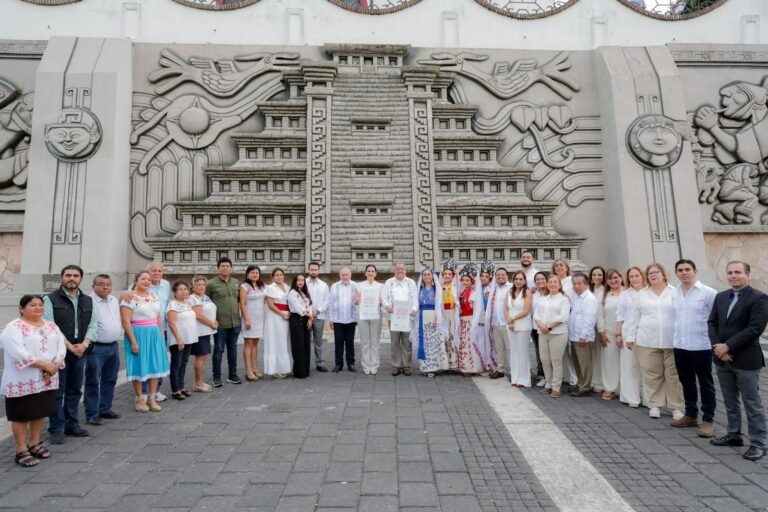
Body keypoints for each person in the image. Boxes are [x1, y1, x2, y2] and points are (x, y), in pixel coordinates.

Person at [708, 261, 768, 461]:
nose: (733, 276)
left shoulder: (759, 298)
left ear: (748, 275)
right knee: (729, 400)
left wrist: (728, 346)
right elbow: (712, 323)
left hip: (746, 359)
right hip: (722, 359)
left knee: (752, 402)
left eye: (738, 272)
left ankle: (759, 443)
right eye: (730, 272)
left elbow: (755, 328)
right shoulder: (721, 297)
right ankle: (734, 434)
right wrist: (718, 347)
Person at [1, 295, 66, 467]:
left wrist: (54, 365)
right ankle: (21, 449)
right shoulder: (14, 327)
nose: (38, 308)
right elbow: (17, 352)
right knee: (21, 415)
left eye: (40, 305)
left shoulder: (51, 325)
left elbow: (61, 346)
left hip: (47, 378)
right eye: (32, 305)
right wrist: (44, 365)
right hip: (23, 378)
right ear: (22, 308)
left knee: (40, 412)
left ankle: (35, 443)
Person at [43, 264, 97, 444]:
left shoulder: (88, 300)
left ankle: (71, 424)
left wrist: (84, 344)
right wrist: (68, 345)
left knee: (74, 390)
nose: (72, 278)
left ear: (81, 279)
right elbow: (51, 326)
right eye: (68, 275)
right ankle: (56, 428)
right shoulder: (50, 299)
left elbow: (93, 325)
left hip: (80, 351)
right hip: (59, 353)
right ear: (61, 278)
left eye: (75, 275)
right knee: (57, 392)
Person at [624, 263, 683, 419]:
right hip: (647, 340)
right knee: (652, 374)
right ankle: (655, 404)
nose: (653, 275)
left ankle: (676, 406)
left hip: (672, 341)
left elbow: (681, 315)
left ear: (664, 274)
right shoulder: (641, 295)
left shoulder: (675, 292)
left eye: (656, 272)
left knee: (673, 374)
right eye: (650, 273)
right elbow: (633, 318)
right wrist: (630, 337)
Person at [671, 259, 717, 437]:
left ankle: (708, 420)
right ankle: (690, 414)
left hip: (701, 345)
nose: (684, 273)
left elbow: (716, 320)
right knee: (686, 381)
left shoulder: (708, 293)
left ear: (695, 271)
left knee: (706, 384)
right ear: (676, 273)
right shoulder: (674, 292)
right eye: (680, 270)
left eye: (687, 269)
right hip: (680, 344)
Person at [120, 270, 170, 413]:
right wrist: (133, 342)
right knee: (139, 365)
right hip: (138, 333)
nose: (147, 281)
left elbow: (158, 316)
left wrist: (160, 335)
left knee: (155, 365)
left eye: (149, 279)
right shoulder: (129, 298)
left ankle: (152, 398)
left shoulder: (153, 296)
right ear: (136, 281)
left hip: (154, 333)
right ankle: (140, 398)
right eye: (143, 279)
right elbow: (126, 321)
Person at [84, 274, 122, 427]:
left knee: (110, 379)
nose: (105, 287)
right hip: (96, 347)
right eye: (101, 284)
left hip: (113, 346)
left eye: (108, 284)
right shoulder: (88, 301)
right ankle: (92, 414)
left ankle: (105, 408)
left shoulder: (113, 300)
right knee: (93, 381)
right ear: (93, 286)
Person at [206, 257, 242, 387]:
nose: (225, 268)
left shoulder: (236, 283)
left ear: (231, 268)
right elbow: (206, 302)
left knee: (233, 349)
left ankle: (232, 375)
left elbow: (239, 300)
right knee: (219, 349)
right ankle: (216, 377)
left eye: (228, 266)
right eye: (223, 266)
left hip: (235, 323)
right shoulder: (211, 284)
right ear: (218, 268)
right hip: (220, 324)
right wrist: (211, 320)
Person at [534, 275, 571, 398]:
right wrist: (541, 326)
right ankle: (548, 384)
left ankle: (556, 387)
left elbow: (563, 317)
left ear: (560, 285)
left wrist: (549, 327)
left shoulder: (563, 299)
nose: (552, 284)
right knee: (545, 360)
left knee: (556, 361)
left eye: (555, 282)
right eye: (550, 282)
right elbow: (536, 315)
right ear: (547, 284)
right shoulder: (543, 299)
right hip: (543, 333)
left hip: (558, 333)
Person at [616, 266, 645, 408]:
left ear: (642, 276)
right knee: (629, 365)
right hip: (627, 332)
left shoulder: (648, 292)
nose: (634, 279)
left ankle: (649, 398)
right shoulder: (625, 294)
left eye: (637, 275)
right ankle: (631, 397)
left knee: (646, 366)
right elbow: (620, 316)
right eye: (631, 276)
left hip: (646, 332)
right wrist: (618, 334)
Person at [383, 261, 418, 376]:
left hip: (407, 317)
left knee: (407, 342)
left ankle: (406, 365)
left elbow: (415, 297)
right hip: (393, 317)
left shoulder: (411, 283)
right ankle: (396, 365)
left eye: (402, 269)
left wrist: (414, 309)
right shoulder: (389, 282)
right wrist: (387, 306)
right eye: (398, 269)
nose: (400, 271)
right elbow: (384, 297)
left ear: (405, 271)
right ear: (395, 271)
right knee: (394, 342)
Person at [413, 268, 448, 377]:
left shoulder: (437, 289)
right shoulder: (419, 289)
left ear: (433, 276)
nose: (427, 276)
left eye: (429, 274)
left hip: (433, 315)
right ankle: (425, 367)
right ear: (422, 277)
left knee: (435, 341)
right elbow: (415, 303)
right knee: (424, 341)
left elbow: (439, 304)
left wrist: (437, 316)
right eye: (425, 275)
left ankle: (435, 367)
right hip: (422, 316)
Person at [568, 272, 598, 397]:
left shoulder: (589, 299)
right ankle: (581, 383)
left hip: (582, 337)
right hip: (574, 335)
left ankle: (585, 387)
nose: (576, 286)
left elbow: (589, 319)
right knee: (577, 362)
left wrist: (584, 336)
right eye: (574, 284)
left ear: (586, 284)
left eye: (579, 284)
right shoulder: (577, 296)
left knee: (584, 363)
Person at [167, 280, 198, 400]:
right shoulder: (172, 304)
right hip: (178, 340)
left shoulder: (187, 303)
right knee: (176, 364)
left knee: (184, 363)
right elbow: (171, 322)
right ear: (174, 292)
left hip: (188, 338)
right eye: (180, 289)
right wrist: (179, 339)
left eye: (185, 289)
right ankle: (175, 389)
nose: (184, 291)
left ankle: (181, 386)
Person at [144, 262, 170, 402]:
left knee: (159, 360)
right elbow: (128, 295)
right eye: (154, 270)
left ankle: (156, 390)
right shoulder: (143, 283)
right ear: (148, 271)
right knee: (145, 360)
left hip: (162, 329)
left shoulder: (166, 285)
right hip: (145, 329)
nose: (156, 273)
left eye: (159, 271)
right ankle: (142, 392)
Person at [597, 269, 624, 401]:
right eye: (610, 279)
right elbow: (599, 315)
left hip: (626, 333)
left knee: (626, 363)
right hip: (609, 332)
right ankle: (609, 387)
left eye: (615, 277)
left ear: (621, 277)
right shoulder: (604, 295)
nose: (613, 280)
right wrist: (601, 332)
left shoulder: (628, 292)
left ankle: (624, 388)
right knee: (609, 361)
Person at [188, 275, 217, 393]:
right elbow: (199, 315)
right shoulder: (193, 298)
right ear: (193, 287)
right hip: (199, 331)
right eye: (198, 284)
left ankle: (200, 381)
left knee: (203, 357)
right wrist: (211, 323)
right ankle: (198, 383)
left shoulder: (205, 297)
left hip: (206, 331)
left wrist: (215, 321)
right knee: (200, 357)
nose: (201, 286)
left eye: (203, 284)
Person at [504, 270, 533, 388]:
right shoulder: (509, 291)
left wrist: (513, 319)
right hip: (510, 325)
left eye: (521, 279)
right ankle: (515, 378)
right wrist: (508, 320)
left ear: (525, 281)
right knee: (514, 351)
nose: (518, 281)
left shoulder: (528, 292)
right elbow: (505, 308)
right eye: (516, 279)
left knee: (522, 352)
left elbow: (526, 311)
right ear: (513, 280)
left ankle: (524, 379)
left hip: (523, 325)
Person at [329, 267, 359, 373]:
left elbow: (359, 302)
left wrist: (358, 318)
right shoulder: (334, 286)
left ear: (350, 275)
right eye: (343, 275)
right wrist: (331, 319)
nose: (345, 277)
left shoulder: (356, 286)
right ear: (340, 275)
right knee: (338, 342)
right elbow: (331, 304)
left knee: (350, 342)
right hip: (338, 319)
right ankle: (338, 364)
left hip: (351, 319)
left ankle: (350, 363)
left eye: (347, 274)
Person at [264, 268, 293, 378]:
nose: (279, 277)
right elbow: (270, 304)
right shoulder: (270, 288)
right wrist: (282, 314)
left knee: (283, 341)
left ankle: (284, 367)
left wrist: (289, 313)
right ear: (273, 277)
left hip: (286, 317)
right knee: (275, 340)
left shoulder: (287, 287)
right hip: (274, 317)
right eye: (277, 275)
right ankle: (275, 368)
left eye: (281, 275)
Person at [239, 265, 266, 381]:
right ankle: (248, 370)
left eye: (257, 273)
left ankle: (255, 368)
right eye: (252, 272)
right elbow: (242, 304)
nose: (255, 274)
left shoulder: (262, 286)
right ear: (247, 274)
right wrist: (247, 319)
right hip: (249, 318)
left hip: (260, 318)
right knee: (248, 343)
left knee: (255, 343)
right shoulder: (244, 286)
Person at [486, 268, 512, 379]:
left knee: (510, 348)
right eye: (498, 275)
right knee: (499, 348)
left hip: (507, 323)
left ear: (507, 276)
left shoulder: (511, 287)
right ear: (495, 277)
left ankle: (513, 371)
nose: (500, 277)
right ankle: (500, 369)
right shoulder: (493, 289)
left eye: (503, 274)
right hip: (495, 323)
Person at [358, 264, 384, 375]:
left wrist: (380, 303)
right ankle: (365, 365)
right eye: (368, 271)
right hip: (363, 316)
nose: (370, 273)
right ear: (365, 273)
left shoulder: (381, 286)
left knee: (375, 341)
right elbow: (355, 301)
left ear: (375, 273)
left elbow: (383, 301)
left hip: (376, 316)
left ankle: (374, 365)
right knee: (365, 341)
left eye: (372, 271)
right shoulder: (359, 286)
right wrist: (356, 299)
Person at [457, 263, 482, 376]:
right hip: (463, 319)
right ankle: (465, 367)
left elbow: (474, 308)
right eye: (463, 280)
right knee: (464, 343)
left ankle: (472, 367)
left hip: (470, 319)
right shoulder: (463, 292)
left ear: (472, 281)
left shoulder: (473, 293)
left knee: (470, 342)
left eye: (467, 280)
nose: (465, 282)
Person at [472, 260, 496, 373]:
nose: (483, 278)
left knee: (490, 340)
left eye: (486, 276)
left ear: (490, 277)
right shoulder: (477, 288)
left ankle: (491, 362)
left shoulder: (492, 288)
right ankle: (483, 362)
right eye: (481, 276)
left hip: (490, 316)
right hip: (479, 317)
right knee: (481, 339)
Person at [287, 273, 313, 379]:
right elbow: (298, 309)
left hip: (307, 319)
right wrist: (310, 316)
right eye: (298, 280)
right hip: (296, 320)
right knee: (298, 346)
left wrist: (310, 318)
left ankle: (306, 370)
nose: (301, 282)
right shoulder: (292, 293)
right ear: (294, 281)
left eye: (302, 280)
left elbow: (310, 305)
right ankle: (299, 372)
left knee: (306, 345)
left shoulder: (305, 293)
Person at [306, 262, 329, 372]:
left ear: (318, 271)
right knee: (305, 341)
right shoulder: (303, 283)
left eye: (315, 270)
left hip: (319, 316)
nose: (313, 271)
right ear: (308, 270)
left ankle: (320, 363)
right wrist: (309, 313)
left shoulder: (323, 285)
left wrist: (318, 311)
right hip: (306, 316)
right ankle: (305, 363)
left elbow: (327, 301)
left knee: (318, 341)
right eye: (312, 269)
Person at [589, 265, 607, 393]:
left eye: (599, 275)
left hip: (602, 327)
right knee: (592, 355)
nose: (596, 277)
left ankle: (603, 382)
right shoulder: (588, 290)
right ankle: (594, 380)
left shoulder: (605, 290)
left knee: (602, 355)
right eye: (594, 275)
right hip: (590, 326)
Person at [440, 259, 460, 372]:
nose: (447, 276)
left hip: (453, 313)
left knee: (453, 335)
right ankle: (445, 362)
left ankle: (454, 362)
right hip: (443, 313)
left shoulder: (456, 286)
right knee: (444, 336)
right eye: (445, 274)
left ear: (453, 275)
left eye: (450, 274)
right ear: (442, 275)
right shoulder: (439, 285)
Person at [530, 271, 548, 385]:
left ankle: (549, 377)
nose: (540, 281)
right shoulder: (534, 294)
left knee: (547, 353)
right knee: (539, 352)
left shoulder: (550, 293)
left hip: (547, 327)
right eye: (537, 279)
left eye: (542, 279)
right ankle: (542, 375)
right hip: (535, 327)